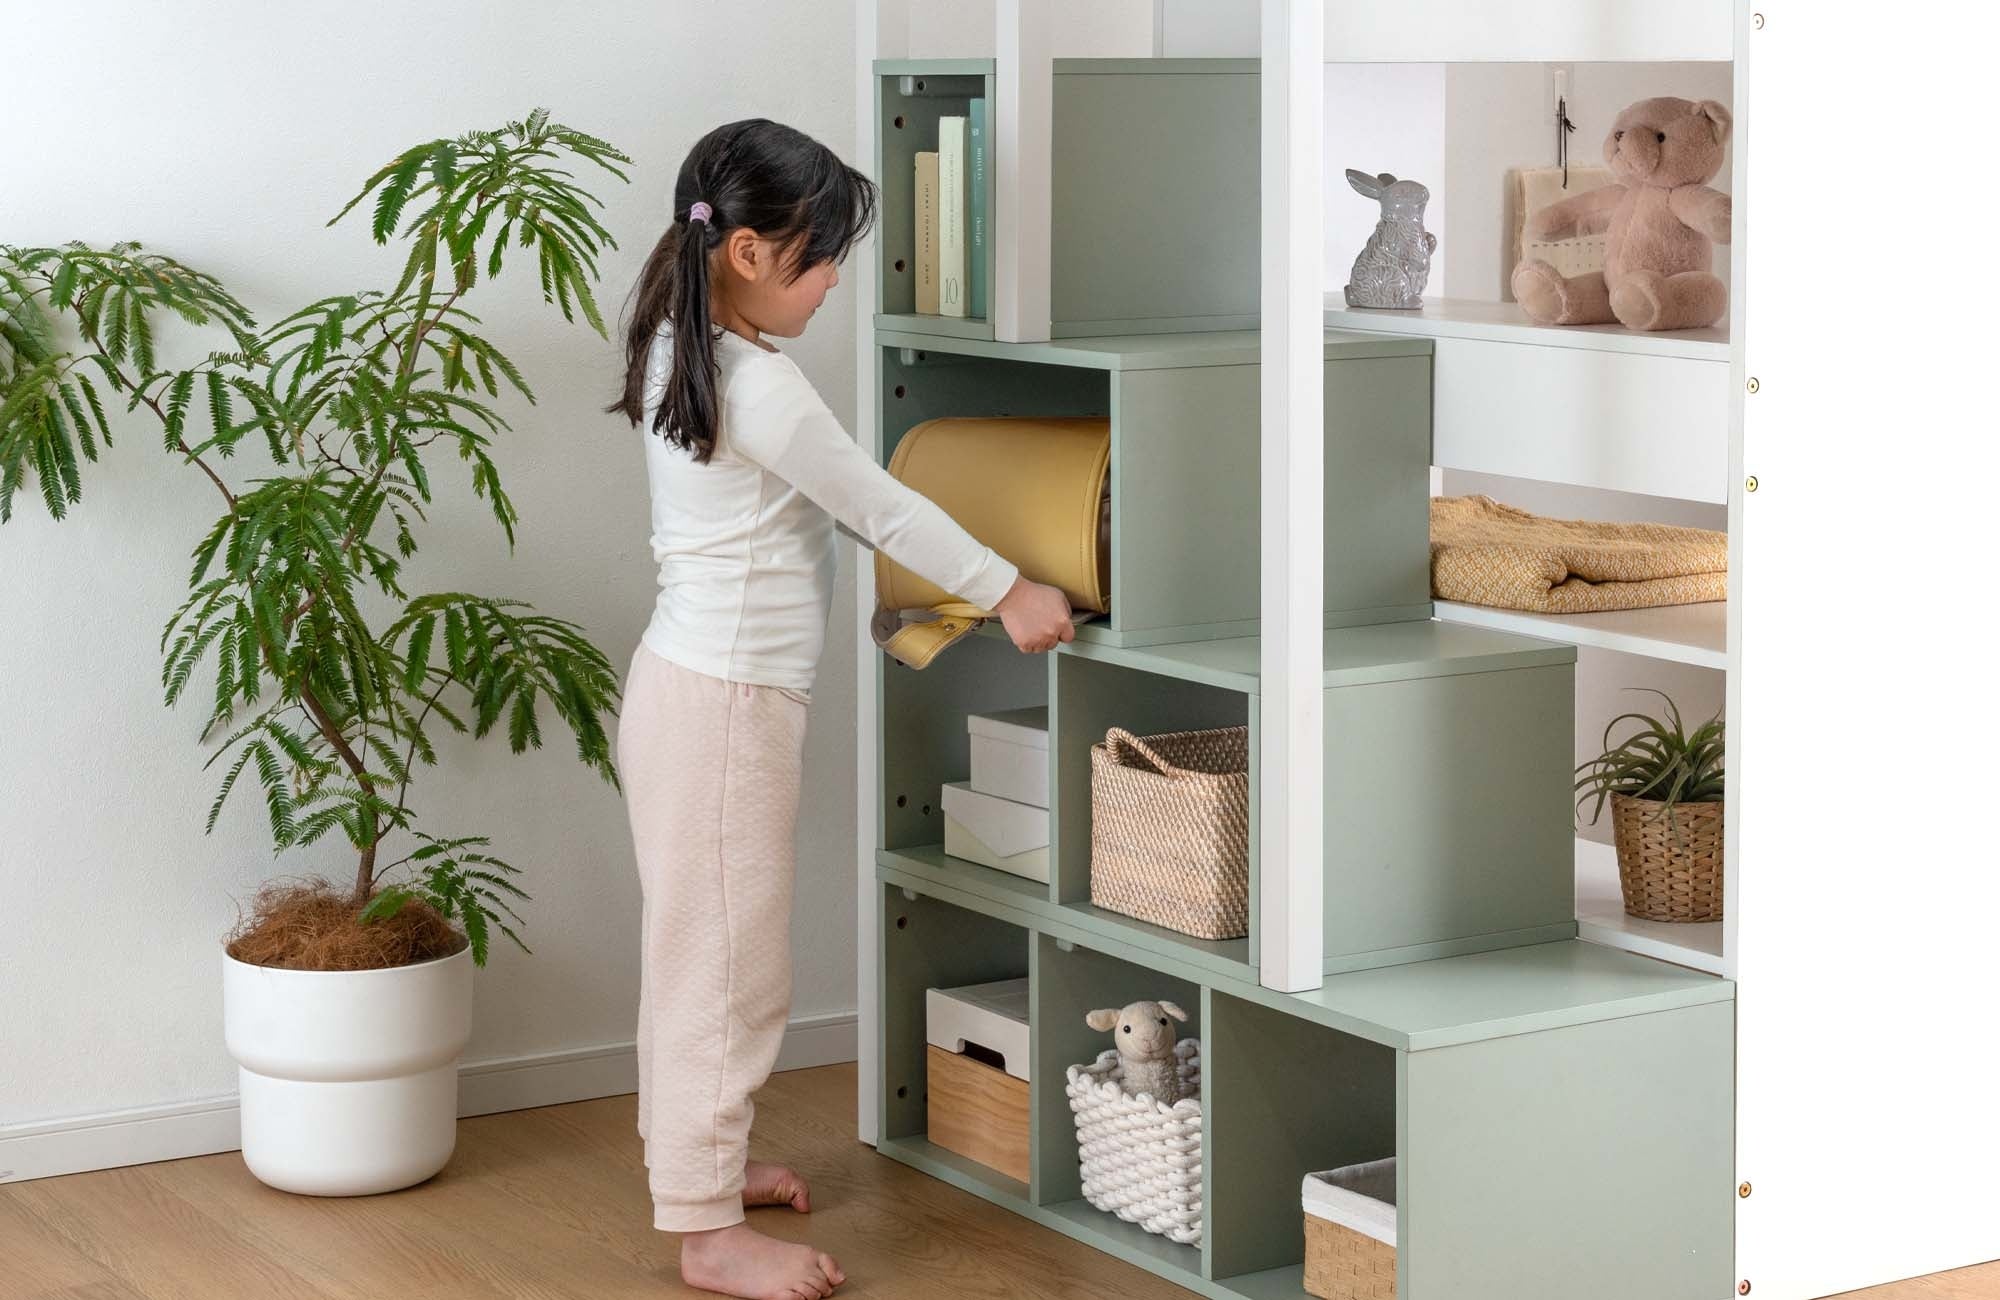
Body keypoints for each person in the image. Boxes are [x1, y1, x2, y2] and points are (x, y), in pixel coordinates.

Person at [604, 118, 1075, 1300]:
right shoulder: (759, 385)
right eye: (820, 260)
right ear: (749, 253)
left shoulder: (680, 344)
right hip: (725, 712)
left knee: (693, 951)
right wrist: (1009, 588)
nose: (830, 284)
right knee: (729, 972)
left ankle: (698, 1170)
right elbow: (882, 507)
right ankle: (706, 1233)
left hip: (684, 690)